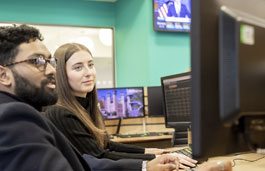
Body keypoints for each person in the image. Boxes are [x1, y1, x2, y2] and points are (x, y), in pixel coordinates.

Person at [0, 24, 181, 171]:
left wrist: (146, 163)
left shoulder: (30, 115)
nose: (51, 70)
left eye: (49, 61)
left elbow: (89, 161)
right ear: (3, 75)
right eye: (36, 61)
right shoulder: (14, 116)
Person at [44, 42, 198, 170]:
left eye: (91, 65)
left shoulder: (86, 107)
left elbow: (106, 145)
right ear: (61, 74)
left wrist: (147, 151)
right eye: (78, 67)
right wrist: (152, 159)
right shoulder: (60, 113)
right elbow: (100, 156)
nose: (88, 72)